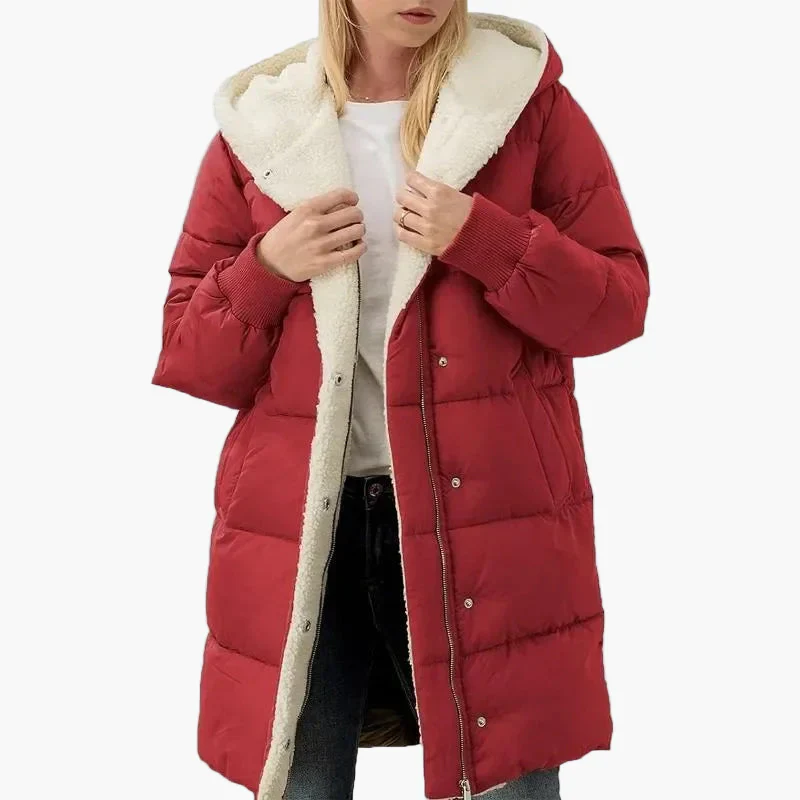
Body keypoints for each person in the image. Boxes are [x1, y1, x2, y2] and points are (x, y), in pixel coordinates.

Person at [150, 2, 649, 799]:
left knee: (505, 785)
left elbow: (618, 306)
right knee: (302, 785)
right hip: (307, 527)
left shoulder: (521, 107)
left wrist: (488, 240)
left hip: (488, 516)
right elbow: (190, 355)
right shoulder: (264, 130)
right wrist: (265, 268)